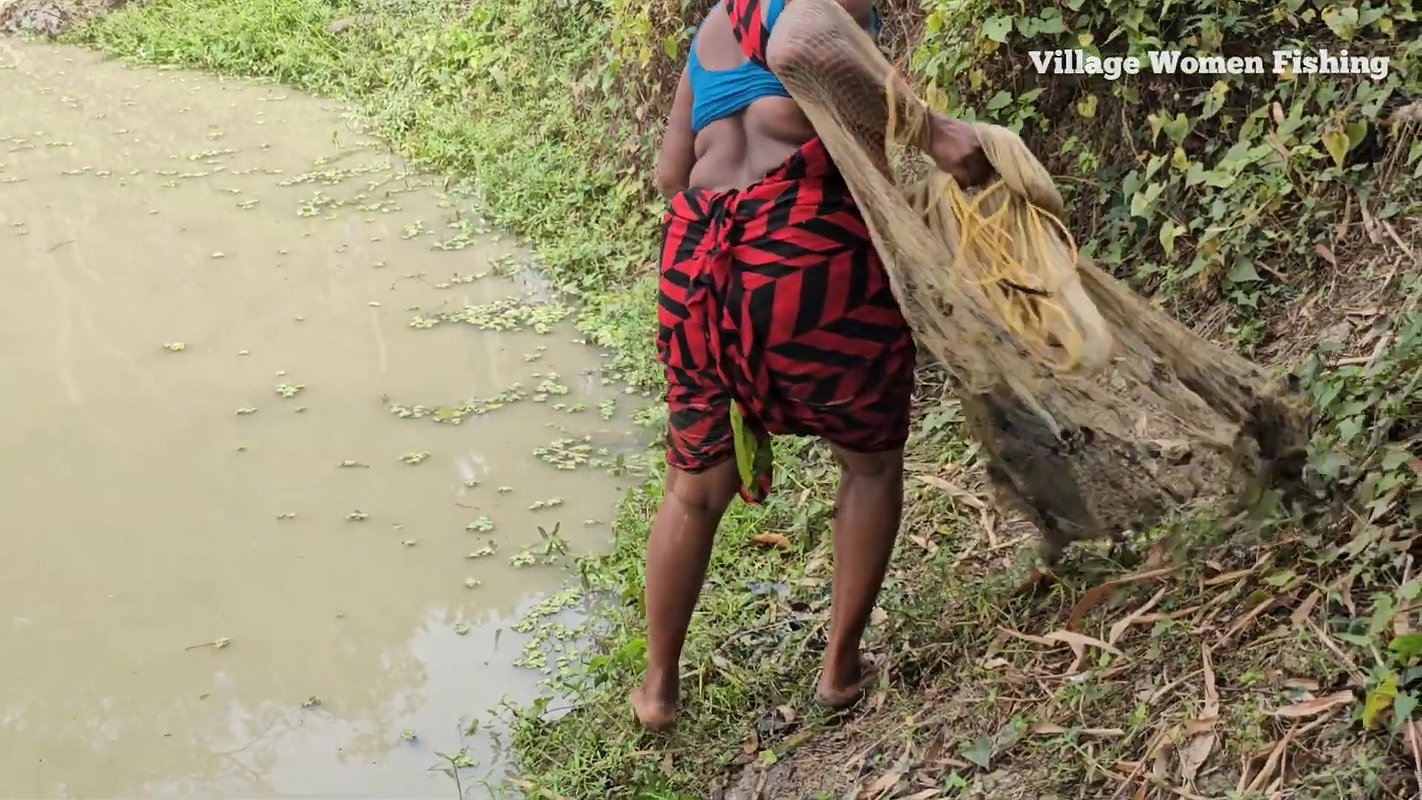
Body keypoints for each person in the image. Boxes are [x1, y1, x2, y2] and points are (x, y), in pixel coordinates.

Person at [632, 0, 990, 730]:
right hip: (802, 259)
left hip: (696, 270)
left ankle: (658, 691)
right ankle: (840, 670)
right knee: (869, 464)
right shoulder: (825, 12)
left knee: (693, 493)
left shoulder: (710, 29)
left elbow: (672, 173)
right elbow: (862, 129)